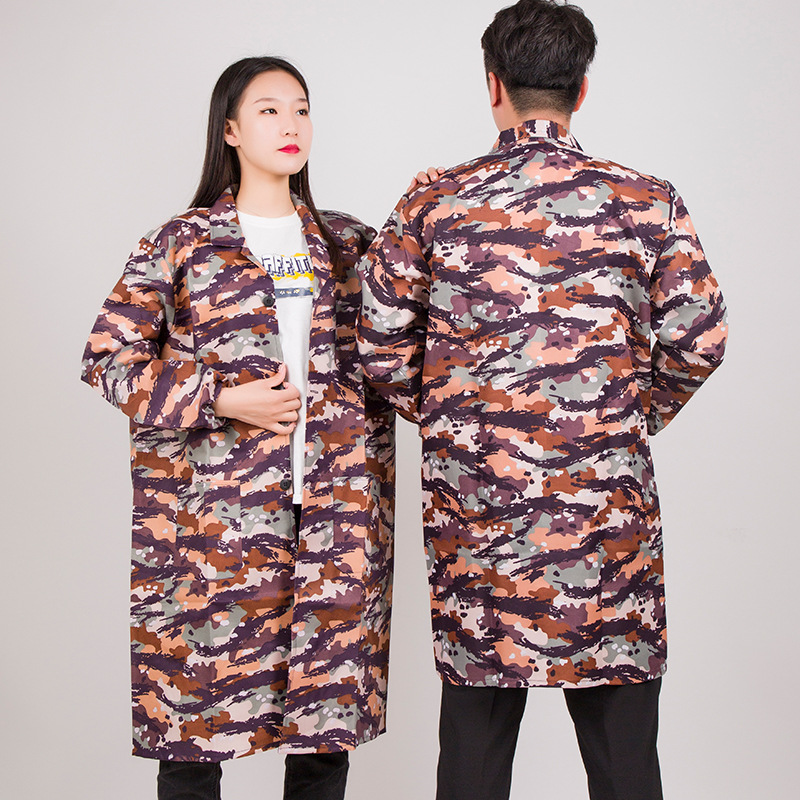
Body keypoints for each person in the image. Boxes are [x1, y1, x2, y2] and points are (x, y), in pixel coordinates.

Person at [357, 2, 728, 799]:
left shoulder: (433, 203)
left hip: (479, 526)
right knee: (626, 766)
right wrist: (624, 417)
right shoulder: (647, 200)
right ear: (581, 90)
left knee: (473, 762)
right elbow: (699, 338)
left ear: (492, 85)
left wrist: (460, 418)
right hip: (607, 530)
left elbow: (379, 346)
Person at [81, 56, 437, 800]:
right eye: (269, 110)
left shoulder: (350, 243)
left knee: (323, 733)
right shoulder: (181, 244)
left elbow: (412, 336)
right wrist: (221, 399)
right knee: (192, 731)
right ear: (231, 130)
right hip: (215, 527)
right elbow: (108, 360)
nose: (290, 124)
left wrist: (422, 214)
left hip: (336, 519)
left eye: (301, 108)